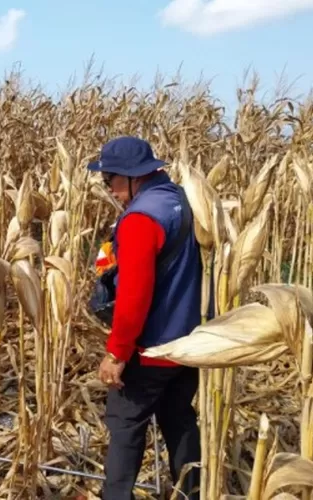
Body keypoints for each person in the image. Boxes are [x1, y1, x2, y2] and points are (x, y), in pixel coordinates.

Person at [88, 136, 202, 499]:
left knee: (125, 427)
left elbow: (135, 296)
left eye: (111, 180)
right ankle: (193, 492)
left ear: (132, 176)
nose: (110, 190)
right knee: (180, 422)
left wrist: (117, 353)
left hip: (151, 348)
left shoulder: (140, 220)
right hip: (188, 344)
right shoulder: (180, 200)